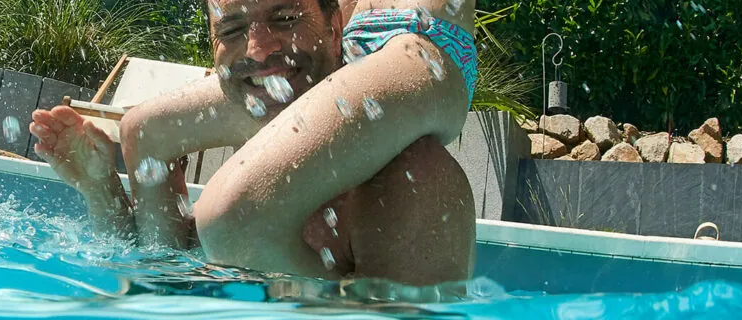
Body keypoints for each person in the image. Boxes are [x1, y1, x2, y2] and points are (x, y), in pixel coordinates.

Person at [31, 0, 477, 287]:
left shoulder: (416, 186)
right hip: (328, 36)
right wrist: (100, 191)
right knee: (143, 130)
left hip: (412, 43)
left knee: (233, 216)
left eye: (285, 19)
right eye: (230, 30)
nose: (258, 50)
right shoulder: (275, 53)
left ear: (336, 28)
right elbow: (154, 280)